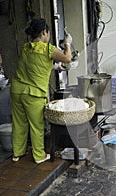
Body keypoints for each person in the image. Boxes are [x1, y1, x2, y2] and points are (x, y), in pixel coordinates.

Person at [10, 19, 72, 163]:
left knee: (19, 123)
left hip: (17, 90)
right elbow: (68, 58)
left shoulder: (26, 47)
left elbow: (36, 66)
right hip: (33, 94)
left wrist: (55, 67)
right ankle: (39, 156)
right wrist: (67, 43)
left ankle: (17, 153)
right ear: (44, 32)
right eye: (48, 33)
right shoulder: (48, 49)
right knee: (36, 125)